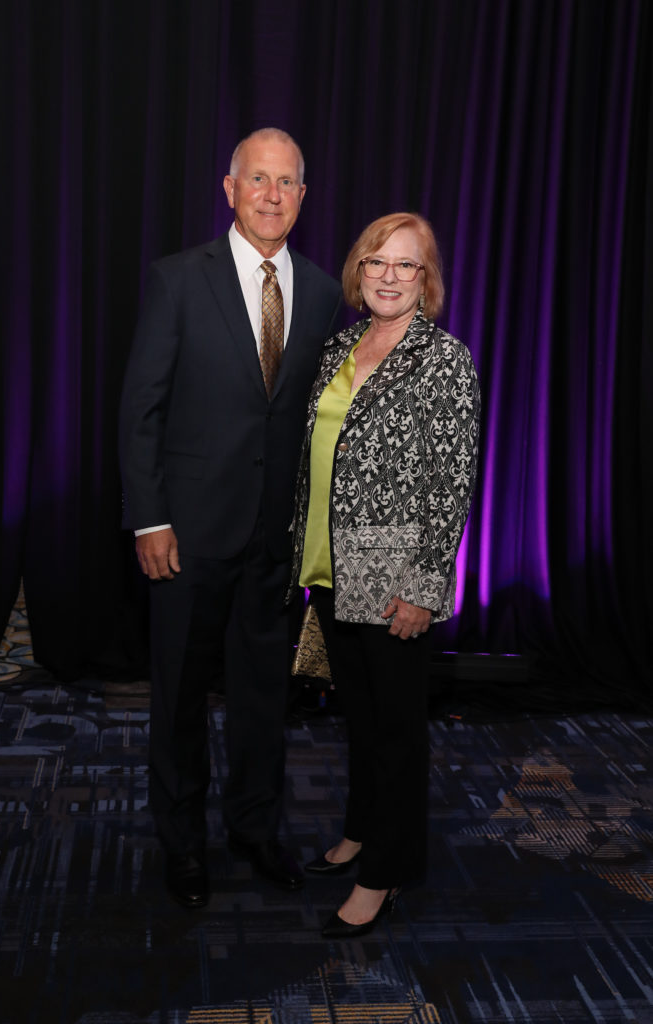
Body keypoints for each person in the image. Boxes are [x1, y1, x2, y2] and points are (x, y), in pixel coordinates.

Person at [119, 128, 341, 909]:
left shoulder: (319, 290)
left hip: (273, 541)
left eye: (286, 183)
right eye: (258, 180)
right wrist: (149, 520)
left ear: (303, 197)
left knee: (260, 700)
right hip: (186, 536)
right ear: (229, 188)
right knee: (178, 697)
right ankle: (182, 845)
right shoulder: (178, 280)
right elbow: (141, 408)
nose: (272, 195)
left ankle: (254, 828)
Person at [288, 212, 480, 937]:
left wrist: (424, 587)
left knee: (396, 730)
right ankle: (361, 830)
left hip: (393, 579)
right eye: (377, 262)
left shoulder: (443, 360)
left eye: (407, 264)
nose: (389, 276)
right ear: (357, 271)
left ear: (426, 280)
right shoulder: (343, 344)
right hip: (331, 567)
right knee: (361, 720)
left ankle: (385, 872)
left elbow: (449, 482)